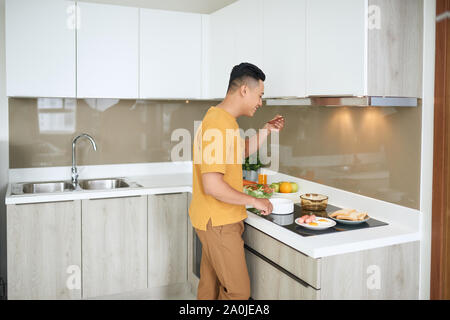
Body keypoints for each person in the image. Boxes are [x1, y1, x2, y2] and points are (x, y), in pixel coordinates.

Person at [189, 62, 285, 300]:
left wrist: (265, 131)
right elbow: (212, 186)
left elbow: (237, 152)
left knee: (210, 289)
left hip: (215, 219)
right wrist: (255, 201)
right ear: (244, 90)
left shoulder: (224, 120)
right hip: (219, 221)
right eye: (259, 95)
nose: (260, 102)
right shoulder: (217, 124)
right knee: (238, 293)